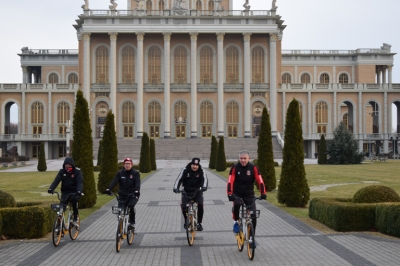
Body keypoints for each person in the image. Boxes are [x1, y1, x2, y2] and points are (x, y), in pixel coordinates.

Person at [226, 150, 266, 247]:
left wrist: (263, 193)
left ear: (249, 159)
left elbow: (260, 180)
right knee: (237, 204)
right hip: (237, 193)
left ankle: (252, 238)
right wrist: (230, 194)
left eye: (245, 158)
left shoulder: (253, 167)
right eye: (241, 158)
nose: (243, 160)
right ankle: (236, 222)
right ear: (239, 159)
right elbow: (230, 181)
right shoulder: (235, 167)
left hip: (249, 194)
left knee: (253, 215)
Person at [173, 157, 208, 231]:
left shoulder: (201, 171)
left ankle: (199, 223)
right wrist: (176, 188)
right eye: (193, 164)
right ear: (191, 164)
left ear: (198, 165)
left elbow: (205, 179)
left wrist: (204, 187)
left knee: (201, 204)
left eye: (196, 165)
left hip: (197, 191)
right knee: (183, 205)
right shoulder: (185, 170)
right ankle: (186, 220)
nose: (195, 166)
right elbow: (179, 180)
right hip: (186, 191)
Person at [105, 158, 140, 230]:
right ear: (123, 165)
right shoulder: (120, 173)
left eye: (129, 164)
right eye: (126, 164)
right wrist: (109, 188)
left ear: (131, 164)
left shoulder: (135, 173)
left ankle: (132, 223)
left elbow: (137, 184)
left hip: (132, 195)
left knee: (131, 206)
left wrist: (136, 190)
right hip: (122, 195)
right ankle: (120, 228)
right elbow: (114, 181)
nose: (127, 165)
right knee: (120, 210)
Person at [48, 157, 83, 226]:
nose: (68, 168)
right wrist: (51, 188)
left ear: (72, 165)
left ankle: (75, 217)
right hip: (65, 191)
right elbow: (56, 180)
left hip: (74, 191)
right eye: (66, 166)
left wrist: (79, 191)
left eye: (69, 166)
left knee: (74, 201)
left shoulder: (77, 172)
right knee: (62, 206)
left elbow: (80, 182)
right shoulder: (62, 172)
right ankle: (59, 224)